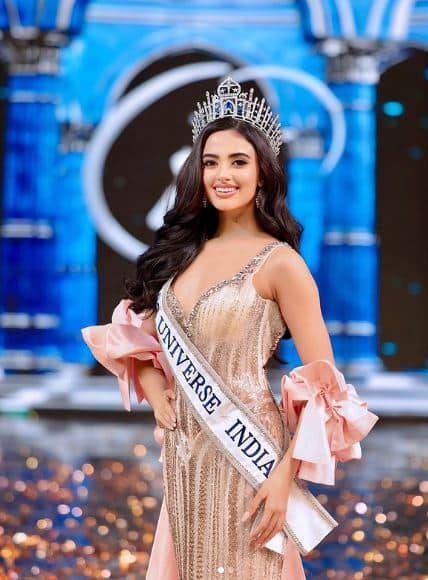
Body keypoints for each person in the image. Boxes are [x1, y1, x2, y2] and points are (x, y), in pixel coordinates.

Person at [81, 77, 379, 580]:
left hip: (251, 458)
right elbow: (133, 329)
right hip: (183, 458)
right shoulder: (180, 255)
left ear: (263, 173)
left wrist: (284, 479)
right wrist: (154, 388)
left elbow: (326, 389)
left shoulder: (281, 264)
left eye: (239, 161)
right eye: (211, 162)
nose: (223, 175)